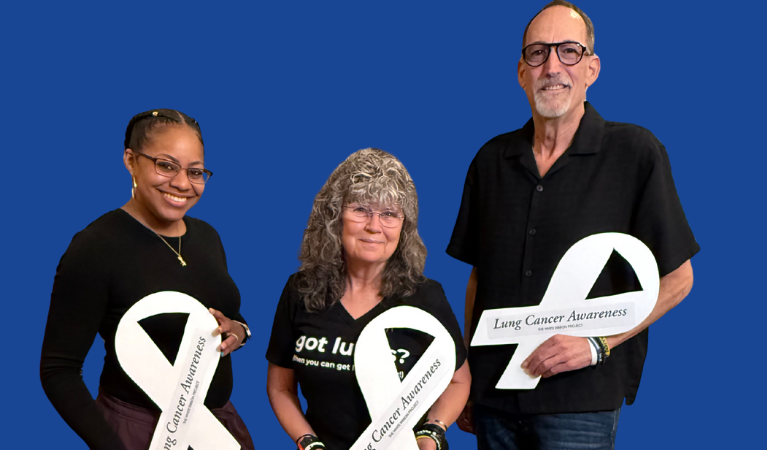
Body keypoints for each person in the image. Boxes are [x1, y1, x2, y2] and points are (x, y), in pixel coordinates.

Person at [446, 2, 700, 449]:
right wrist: (466, 375)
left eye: (568, 51)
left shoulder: (635, 153)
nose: (552, 66)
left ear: (592, 68)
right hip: (493, 399)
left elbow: (678, 280)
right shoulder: (491, 161)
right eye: (537, 53)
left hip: (581, 401)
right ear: (521, 71)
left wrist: (596, 344)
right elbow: (478, 279)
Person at [40, 109, 255, 450]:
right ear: (130, 160)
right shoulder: (96, 247)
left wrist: (239, 332)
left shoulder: (206, 236)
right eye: (166, 165)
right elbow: (58, 371)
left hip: (217, 428)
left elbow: (228, 314)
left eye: (195, 172)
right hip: (138, 432)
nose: (183, 183)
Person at [266, 148, 471, 450]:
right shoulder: (301, 291)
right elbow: (281, 387)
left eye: (389, 214)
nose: (375, 226)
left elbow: (458, 381)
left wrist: (433, 432)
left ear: (404, 226)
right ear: (335, 216)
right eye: (361, 209)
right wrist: (308, 442)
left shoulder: (426, 297)